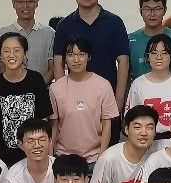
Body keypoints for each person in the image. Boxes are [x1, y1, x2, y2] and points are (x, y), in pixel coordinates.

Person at [51, 0, 131, 109]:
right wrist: (63, 97)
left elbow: (123, 62)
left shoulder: (114, 22)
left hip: (107, 97)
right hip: (74, 100)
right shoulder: (64, 25)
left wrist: (118, 100)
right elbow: (58, 63)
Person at [0, 32, 52, 166]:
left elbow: (44, 120)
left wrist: (47, 156)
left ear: (25, 54)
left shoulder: (36, 80)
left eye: (17, 50)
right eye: (6, 51)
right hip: (4, 158)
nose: (11, 55)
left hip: (34, 156)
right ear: (0, 56)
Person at [49, 37, 119, 166]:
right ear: (65, 58)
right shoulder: (56, 88)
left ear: (89, 57)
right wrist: (49, 157)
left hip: (94, 158)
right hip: (64, 157)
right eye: (71, 55)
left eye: (81, 54)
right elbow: (54, 125)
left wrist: (101, 158)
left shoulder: (103, 85)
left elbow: (107, 124)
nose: (76, 60)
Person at [89, 105, 158, 183]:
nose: (144, 133)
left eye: (149, 127)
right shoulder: (109, 159)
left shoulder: (156, 150)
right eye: (137, 127)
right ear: (126, 129)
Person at [125, 33, 171, 139]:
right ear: (147, 57)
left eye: (164, 53)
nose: (159, 57)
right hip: (145, 140)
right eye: (154, 53)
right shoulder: (138, 84)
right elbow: (130, 118)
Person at [0, 0, 55, 80]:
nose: (25, 6)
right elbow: (2, 67)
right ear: (14, 4)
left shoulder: (50, 33)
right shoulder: (2, 33)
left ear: (36, 3)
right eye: (20, 1)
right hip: (10, 88)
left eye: (29, 1)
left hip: (42, 88)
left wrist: (38, 86)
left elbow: (53, 68)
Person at [128, 0, 171, 80]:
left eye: (157, 9)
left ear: (165, 10)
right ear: (141, 11)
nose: (152, 14)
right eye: (147, 9)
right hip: (139, 89)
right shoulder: (130, 40)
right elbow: (126, 73)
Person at [0, 118, 56, 183]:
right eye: (30, 141)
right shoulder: (13, 177)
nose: (37, 145)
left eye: (42, 140)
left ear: (50, 141)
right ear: (20, 144)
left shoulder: (62, 171)